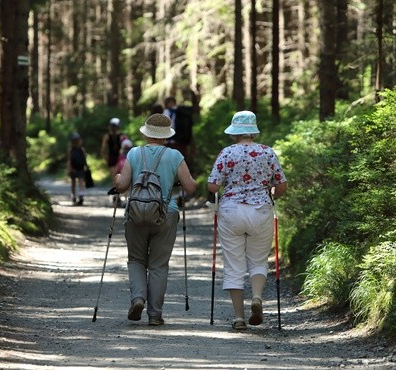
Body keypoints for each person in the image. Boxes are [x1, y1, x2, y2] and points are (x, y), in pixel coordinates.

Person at [207, 110, 288, 331]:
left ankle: (239, 317)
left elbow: (213, 186)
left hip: (231, 211)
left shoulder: (226, 153)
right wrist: (271, 195)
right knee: (258, 260)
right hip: (261, 209)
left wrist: (226, 186)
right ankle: (258, 298)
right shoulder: (267, 152)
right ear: (253, 131)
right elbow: (281, 185)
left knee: (234, 264)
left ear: (235, 132)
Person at [114, 113, 197, 326]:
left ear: (146, 133)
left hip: (135, 213)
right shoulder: (174, 156)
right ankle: (154, 314)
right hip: (165, 212)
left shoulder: (133, 153)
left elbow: (122, 186)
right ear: (166, 136)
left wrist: (117, 179)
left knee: (136, 259)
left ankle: (138, 298)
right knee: (159, 265)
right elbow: (190, 188)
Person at [162, 96, 195, 171]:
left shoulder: (181, 113)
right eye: (169, 103)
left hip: (179, 141)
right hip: (167, 142)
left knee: (180, 162)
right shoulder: (165, 113)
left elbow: (187, 126)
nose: (171, 105)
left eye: (172, 103)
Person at [101, 117, 128, 204]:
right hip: (121, 158)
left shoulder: (106, 136)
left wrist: (106, 159)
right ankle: (118, 196)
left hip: (111, 158)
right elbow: (127, 147)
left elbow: (103, 150)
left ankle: (116, 197)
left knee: (114, 178)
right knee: (121, 177)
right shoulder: (122, 136)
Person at [67, 132, 88, 206]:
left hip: (77, 168)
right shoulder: (78, 149)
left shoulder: (75, 150)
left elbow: (69, 160)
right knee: (78, 182)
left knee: (76, 183)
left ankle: (76, 196)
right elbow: (84, 159)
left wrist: (69, 168)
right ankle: (77, 196)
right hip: (77, 168)